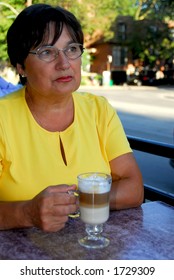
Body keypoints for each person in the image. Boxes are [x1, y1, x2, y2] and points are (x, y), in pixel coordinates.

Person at [0, 4, 143, 232]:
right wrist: (26, 213)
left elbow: (133, 188)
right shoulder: (2, 118)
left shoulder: (99, 110)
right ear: (21, 67)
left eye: (72, 49)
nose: (64, 63)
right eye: (47, 52)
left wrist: (72, 204)